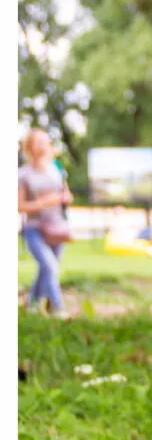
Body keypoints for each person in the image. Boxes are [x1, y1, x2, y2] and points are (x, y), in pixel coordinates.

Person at [18, 129, 73, 318]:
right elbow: (19, 206)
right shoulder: (23, 174)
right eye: (38, 142)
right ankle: (58, 308)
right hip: (34, 229)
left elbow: (66, 194)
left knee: (46, 269)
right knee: (50, 266)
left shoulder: (56, 168)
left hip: (56, 227)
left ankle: (32, 303)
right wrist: (44, 202)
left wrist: (64, 199)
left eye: (45, 142)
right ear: (29, 147)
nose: (42, 146)